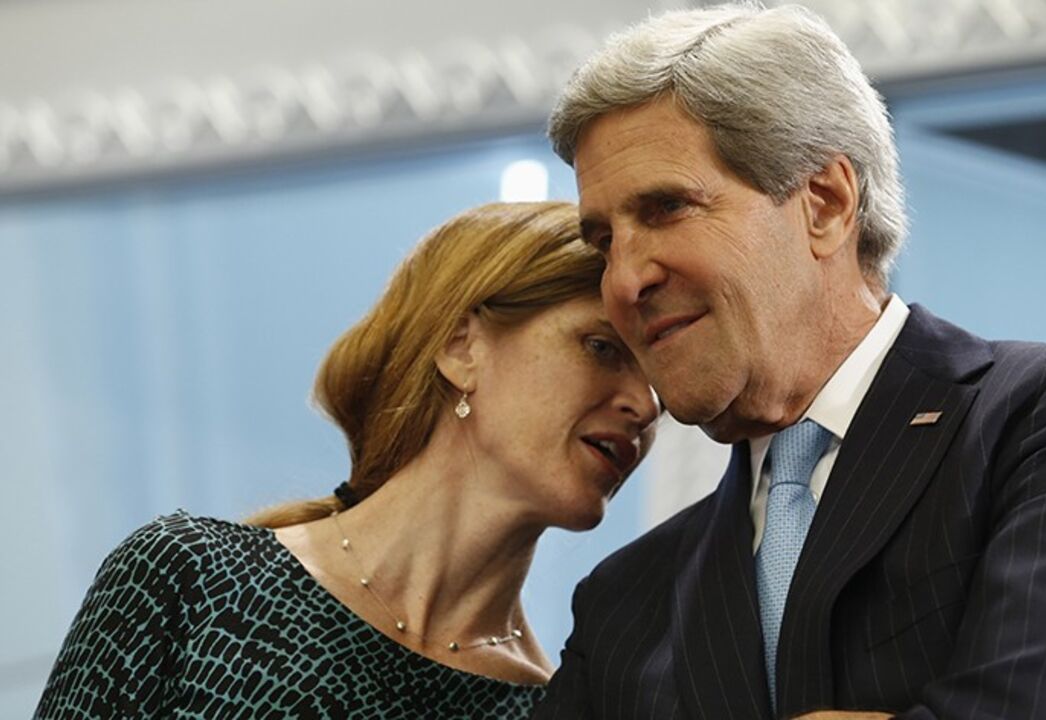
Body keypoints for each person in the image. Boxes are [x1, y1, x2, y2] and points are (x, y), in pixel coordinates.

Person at [533, 5, 1046, 720]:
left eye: (667, 208)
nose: (623, 282)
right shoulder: (623, 604)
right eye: (602, 243)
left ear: (827, 205)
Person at [36, 201, 659, 719]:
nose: (644, 404)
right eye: (602, 347)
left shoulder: (549, 710)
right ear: (460, 346)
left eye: (655, 374)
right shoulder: (190, 580)